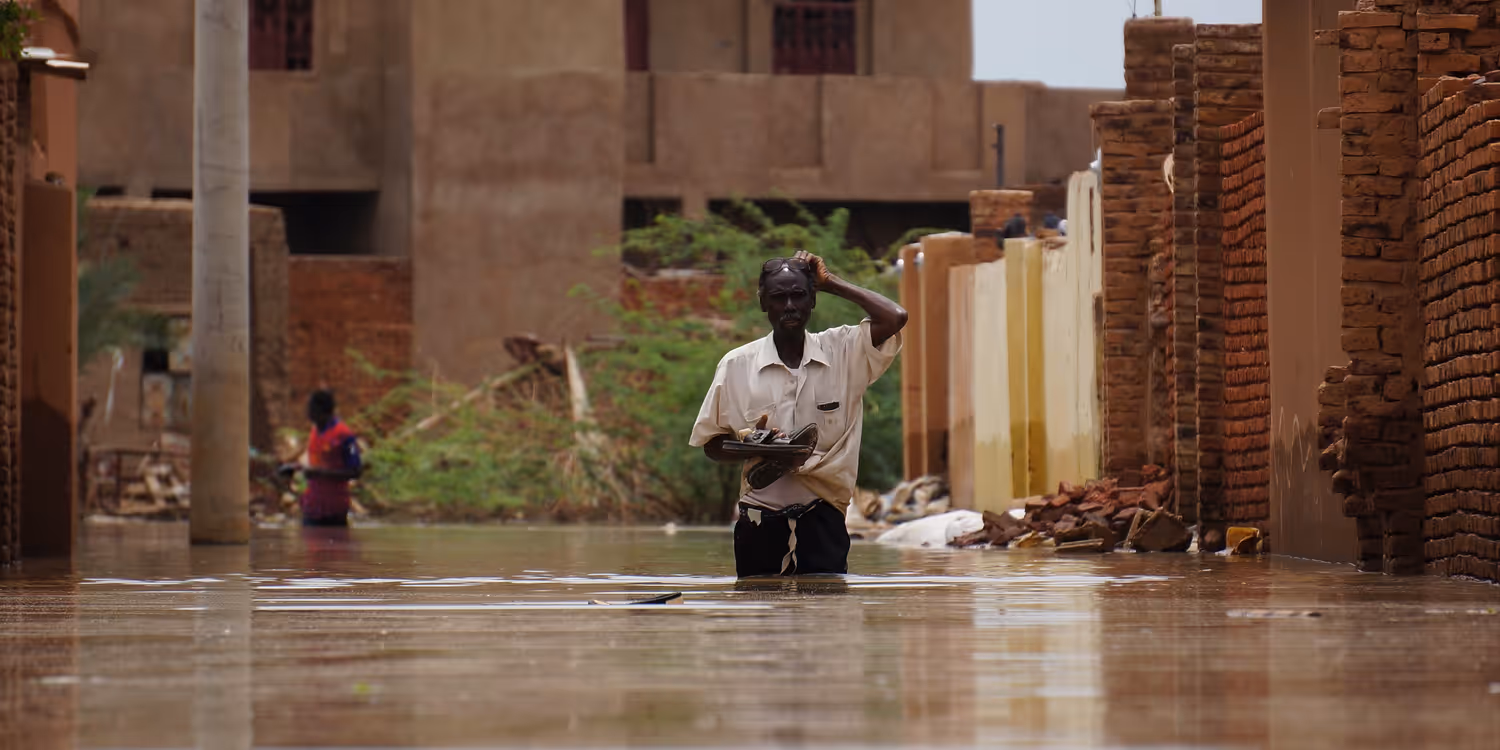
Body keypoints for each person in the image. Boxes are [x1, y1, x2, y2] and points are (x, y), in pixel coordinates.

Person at [690, 250, 907, 577]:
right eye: (779, 297)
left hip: (825, 513)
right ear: (763, 303)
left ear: (812, 300)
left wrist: (830, 282)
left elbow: (895, 317)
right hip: (759, 517)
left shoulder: (844, 351)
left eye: (799, 295)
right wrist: (760, 449)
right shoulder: (737, 365)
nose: (789, 305)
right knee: (758, 613)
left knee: (825, 613)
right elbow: (712, 444)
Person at [279, 390, 363, 527]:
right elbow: (317, 463)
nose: (307, 412)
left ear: (321, 410)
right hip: (312, 506)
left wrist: (321, 474)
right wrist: (294, 468)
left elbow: (356, 471)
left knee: (333, 546)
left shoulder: (344, 435)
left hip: (334, 509)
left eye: (310, 408)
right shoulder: (314, 432)